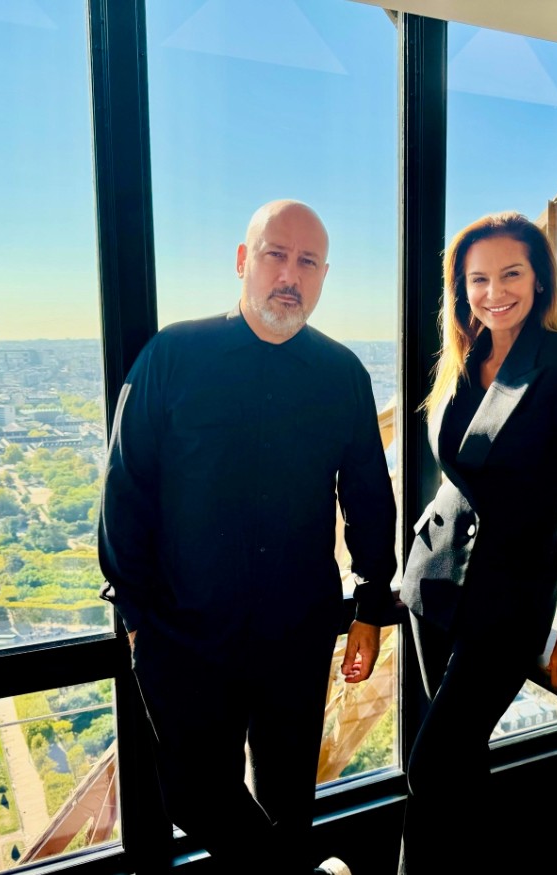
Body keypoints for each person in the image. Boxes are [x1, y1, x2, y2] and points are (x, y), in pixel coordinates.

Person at [98, 200, 397, 875]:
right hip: (182, 633)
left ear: (324, 277)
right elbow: (126, 488)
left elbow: (369, 498)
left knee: (290, 796)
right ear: (242, 261)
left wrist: (373, 605)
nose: (289, 274)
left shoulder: (342, 374)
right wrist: (136, 619)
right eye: (274, 254)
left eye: (307, 262)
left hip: (296, 632)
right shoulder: (172, 354)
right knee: (194, 793)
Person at [397, 211, 557, 873]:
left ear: (541, 279)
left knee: (431, 767)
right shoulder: (462, 360)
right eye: (478, 278)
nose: (494, 291)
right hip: (431, 583)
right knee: (459, 767)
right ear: (461, 288)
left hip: (508, 599)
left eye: (511, 273)